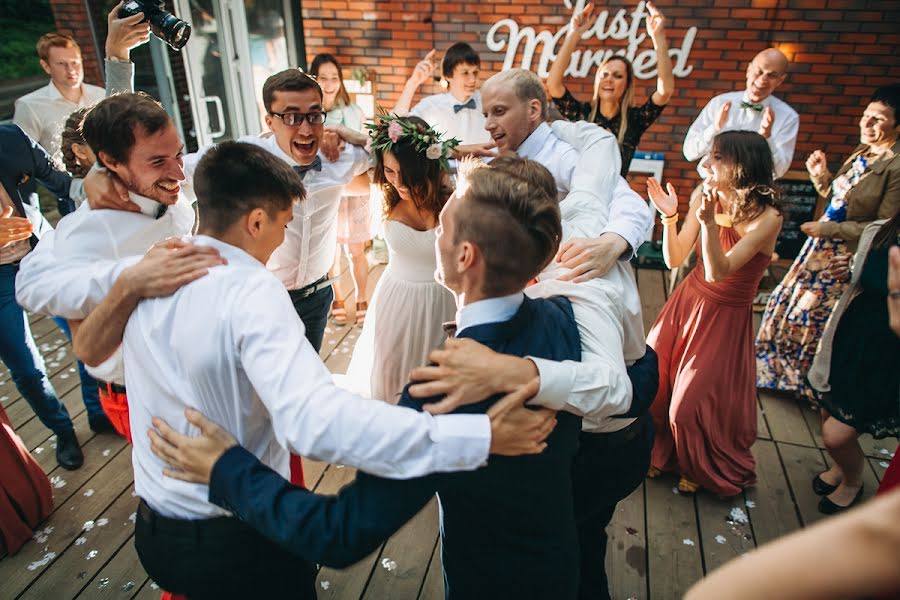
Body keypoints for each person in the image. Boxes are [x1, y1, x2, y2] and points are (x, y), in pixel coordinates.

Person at [88, 143, 554, 599]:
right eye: (285, 225)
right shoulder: (252, 292)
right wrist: (477, 435)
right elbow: (312, 424)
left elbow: (101, 358)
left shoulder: (147, 271)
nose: (282, 238)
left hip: (155, 530)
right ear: (255, 221)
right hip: (238, 537)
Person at [406, 70, 657, 600]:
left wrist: (615, 240)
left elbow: (613, 392)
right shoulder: (568, 213)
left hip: (608, 438)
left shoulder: (572, 270)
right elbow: (602, 144)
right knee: (577, 546)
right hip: (585, 428)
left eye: (455, 221)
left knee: (576, 543)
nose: (443, 227)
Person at [645, 130, 784, 496]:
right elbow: (675, 258)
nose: (707, 162)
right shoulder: (703, 196)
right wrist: (671, 217)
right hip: (687, 302)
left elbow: (718, 271)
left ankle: (701, 464)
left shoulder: (767, 217)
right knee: (654, 382)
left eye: (718, 156)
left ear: (742, 164)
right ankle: (662, 453)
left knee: (688, 406)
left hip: (723, 316)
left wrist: (708, 223)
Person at [757, 84, 900, 400]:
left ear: (897, 126)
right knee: (791, 301)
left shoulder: (896, 166)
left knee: (814, 314)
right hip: (819, 248)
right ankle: (779, 376)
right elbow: (837, 197)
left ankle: (805, 386)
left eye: (878, 119)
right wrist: (820, 176)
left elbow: (882, 227)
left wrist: (829, 231)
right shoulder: (863, 151)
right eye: (866, 116)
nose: (867, 124)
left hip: (844, 255)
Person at [341, 115, 457, 402]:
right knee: (391, 376)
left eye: (405, 172)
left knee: (436, 382)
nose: (398, 181)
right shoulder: (384, 189)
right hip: (397, 301)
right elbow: (336, 171)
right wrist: (356, 137)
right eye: (390, 171)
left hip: (443, 301)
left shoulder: (453, 196)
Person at [1, 124, 85, 469]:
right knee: (26, 366)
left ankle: (97, 412)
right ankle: (62, 430)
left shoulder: (11, 139)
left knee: (84, 332)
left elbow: (64, 184)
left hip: (42, 252)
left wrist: (79, 230)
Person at [807, 212, 900, 513]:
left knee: (837, 434)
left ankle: (853, 481)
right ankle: (841, 469)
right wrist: (846, 271)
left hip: (888, 353)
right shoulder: (880, 230)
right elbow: (859, 281)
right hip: (852, 337)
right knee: (826, 408)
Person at [12, 3, 149, 167]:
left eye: (75, 62)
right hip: (68, 188)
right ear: (46, 66)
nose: (71, 70)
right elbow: (23, 161)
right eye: (62, 64)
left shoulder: (101, 95)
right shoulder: (29, 106)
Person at [547, 1, 674, 176]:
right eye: (604, 74)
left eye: (617, 76)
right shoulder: (583, 114)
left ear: (627, 85)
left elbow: (665, 91)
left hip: (613, 199)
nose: (609, 80)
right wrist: (573, 34)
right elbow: (553, 85)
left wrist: (658, 37)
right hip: (578, 194)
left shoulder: (634, 120)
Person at [309, 53, 373, 326]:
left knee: (356, 250)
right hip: (325, 191)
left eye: (334, 78)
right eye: (323, 78)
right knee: (331, 250)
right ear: (313, 79)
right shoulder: (309, 115)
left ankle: (361, 297)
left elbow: (365, 148)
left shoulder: (353, 111)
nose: (330, 83)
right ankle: (338, 297)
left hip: (352, 186)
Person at [683, 47, 798, 180]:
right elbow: (689, 153)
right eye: (759, 71)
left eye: (771, 75)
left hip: (753, 191)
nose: (763, 79)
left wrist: (767, 138)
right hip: (710, 184)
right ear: (749, 70)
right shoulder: (719, 102)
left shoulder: (788, 117)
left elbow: (779, 171)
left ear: (780, 80)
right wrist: (715, 128)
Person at [394, 43, 493, 146]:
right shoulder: (431, 105)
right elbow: (398, 126)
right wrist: (412, 83)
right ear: (448, 75)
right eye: (465, 73)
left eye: (475, 72)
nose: (473, 79)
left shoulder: (488, 101)